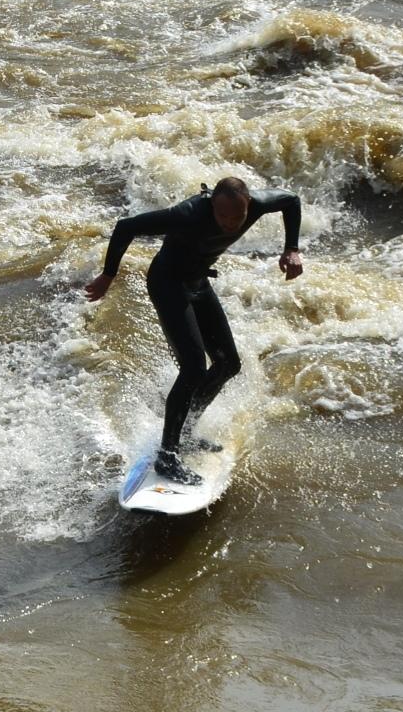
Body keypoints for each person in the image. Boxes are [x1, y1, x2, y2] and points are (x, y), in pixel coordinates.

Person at [83, 175, 302, 487]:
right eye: (222, 215)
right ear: (212, 203)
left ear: (248, 205)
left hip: (199, 283)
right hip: (167, 283)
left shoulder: (256, 205)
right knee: (193, 368)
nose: (229, 223)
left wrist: (292, 248)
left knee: (229, 364)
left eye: (236, 216)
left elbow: (291, 200)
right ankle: (167, 455)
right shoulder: (187, 214)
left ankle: (185, 432)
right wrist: (108, 275)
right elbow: (126, 226)